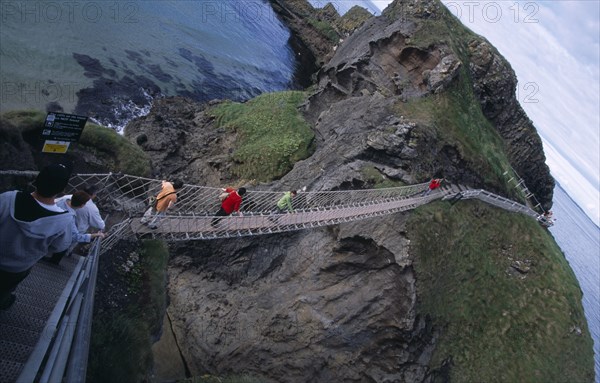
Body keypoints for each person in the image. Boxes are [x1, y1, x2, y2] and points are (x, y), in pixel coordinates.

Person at [0, 164, 74, 310]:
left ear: (37, 179)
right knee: (5, 289)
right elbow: (60, 246)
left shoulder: (8, 198)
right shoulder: (63, 220)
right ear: (62, 190)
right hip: (18, 267)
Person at [48, 191, 106, 265]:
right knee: (66, 242)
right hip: (53, 240)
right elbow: (76, 236)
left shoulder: (61, 201)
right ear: (82, 205)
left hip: (47, 231)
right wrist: (94, 235)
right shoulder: (69, 218)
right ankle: (54, 260)